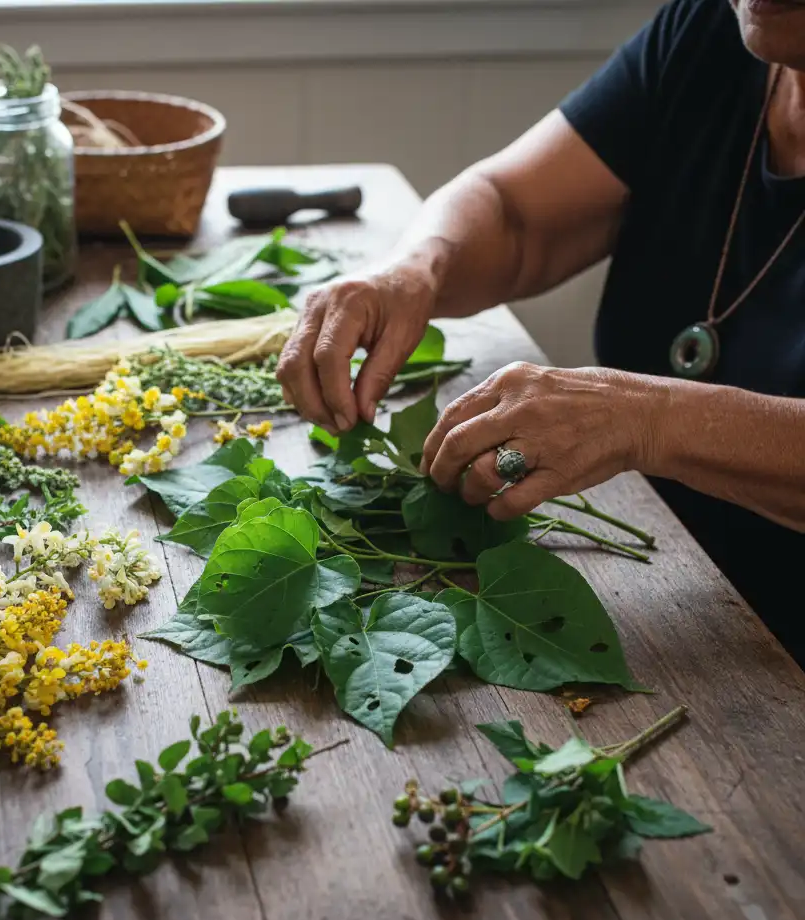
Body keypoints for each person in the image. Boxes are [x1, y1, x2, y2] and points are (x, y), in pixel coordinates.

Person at [276, 0, 805, 665]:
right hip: (671, 600)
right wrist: (414, 269)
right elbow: (517, 212)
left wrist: (650, 419)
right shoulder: (711, 32)